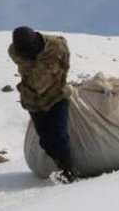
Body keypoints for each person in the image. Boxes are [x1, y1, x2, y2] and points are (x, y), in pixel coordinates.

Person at [8, 26, 76, 182]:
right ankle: (60, 164)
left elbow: (64, 60)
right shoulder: (15, 52)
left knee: (59, 136)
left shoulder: (55, 46)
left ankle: (68, 172)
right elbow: (33, 78)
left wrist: (61, 76)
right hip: (33, 101)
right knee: (45, 140)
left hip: (56, 96)